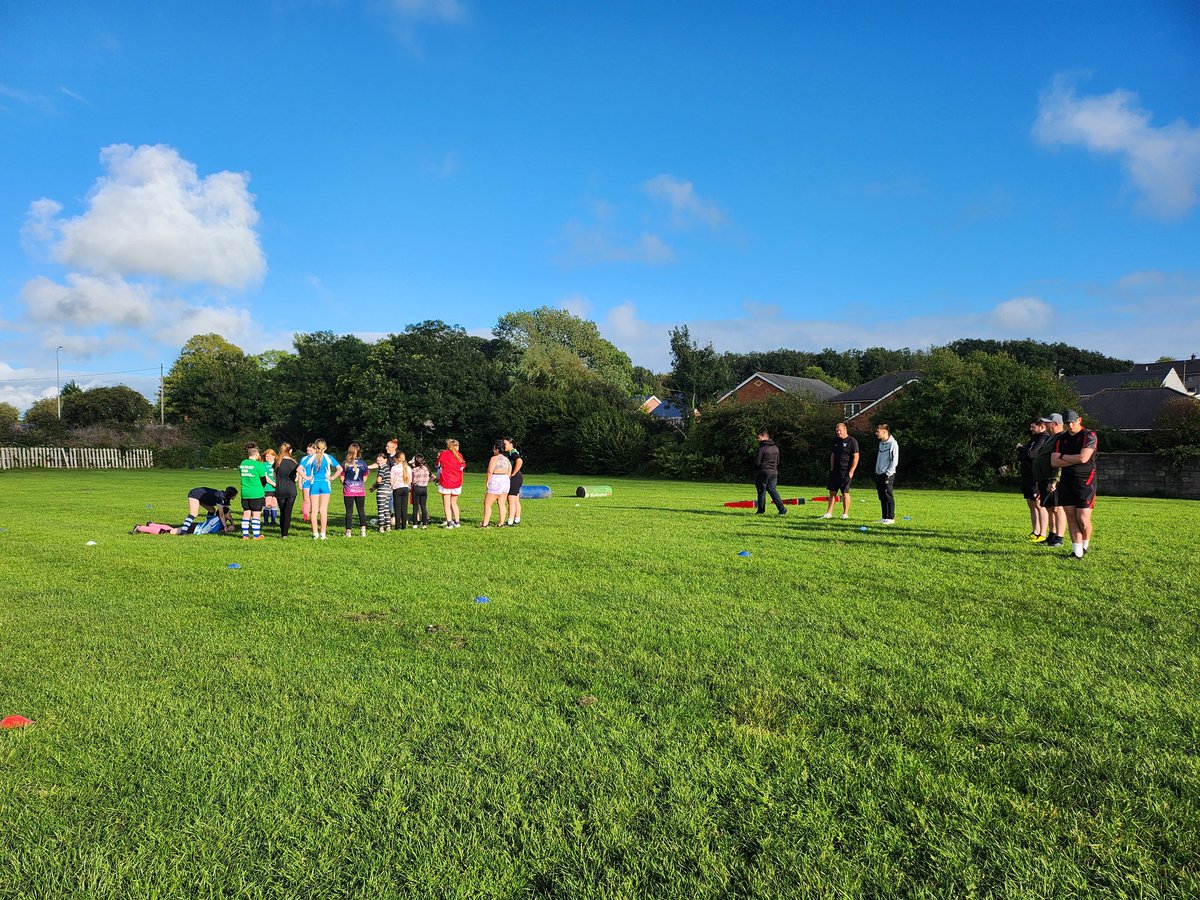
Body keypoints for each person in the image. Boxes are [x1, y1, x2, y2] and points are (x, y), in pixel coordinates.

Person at [1051, 409, 1098, 559]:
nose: (1070, 425)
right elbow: (1054, 462)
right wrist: (1073, 458)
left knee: (1082, 519)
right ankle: (1077, 551)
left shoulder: (1089, 435)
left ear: (1079, 420)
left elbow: (1084, 458)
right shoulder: (1061, 439)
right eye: (1067, 423)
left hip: (1086, 481)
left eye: (1072, 422)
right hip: (1066, 480)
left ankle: (1085, 544)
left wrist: (1063, 457)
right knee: (1071, 517)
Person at [1035, 414, 1067, 547]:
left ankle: (1059, 538)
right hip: (1044, 477)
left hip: (1053, 478)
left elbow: (1060, 461)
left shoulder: (1062, 438)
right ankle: (1052, 535)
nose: (1046, 425)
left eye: (1049, 423)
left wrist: (1054, 480)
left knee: (1057, 508)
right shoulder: (1051, 438)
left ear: (1056, 424)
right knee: (1049, 507)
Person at [1017, 420, 1048, 542]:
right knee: (1031, 504)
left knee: (1039, 504)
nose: (1031, 429)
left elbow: (1031, 454)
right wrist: (1023, 451)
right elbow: (1023, 455)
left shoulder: (1043, 438)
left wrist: (1021, 449)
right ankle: (1035, 531)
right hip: (1027, 476)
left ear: (1041, 427)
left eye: (1033, 427)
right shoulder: (1033, 439)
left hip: (1036, 476)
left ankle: (1042, 533)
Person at [821, 422, 859, 519]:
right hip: (835, 472)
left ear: (845, 429)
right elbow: (833, 454)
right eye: (837, 431)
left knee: (845, 493)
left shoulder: (852, 441)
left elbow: (856, 457)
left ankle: (845, 514)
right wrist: (832, 468)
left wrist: (851, 471)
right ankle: (829, 513)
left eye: (840, 431)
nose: (838, 432)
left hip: (845, 472)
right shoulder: (835, 441)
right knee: (832, 492)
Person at [305, 439, 341, 540]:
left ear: (315, 448)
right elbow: (340, 469)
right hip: (325, 484)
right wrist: (332, 477)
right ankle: (323, 534)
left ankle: (315, 534)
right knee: (323, 510)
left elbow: (299, 469)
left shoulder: (310, 458)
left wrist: (306, 477)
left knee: (314, 510)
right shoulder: (329, 457)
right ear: (325, 448)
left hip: (314, 484)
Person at [238, 443, 271, 541]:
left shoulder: (243, 463)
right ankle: (256, 535)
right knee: (256, 514)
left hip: (245, 492)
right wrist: (262, 486)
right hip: (256, 492)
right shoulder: (258, 465)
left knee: (246, 513)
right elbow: (263, 479)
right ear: (256, 454)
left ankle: (245, 535)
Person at [753, 429, 787, 515]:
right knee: (772, 490)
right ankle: (782, 509)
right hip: (774, 472)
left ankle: (761, 510)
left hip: (763, 472)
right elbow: (777, 461)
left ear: (763, 437)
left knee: (761, 491)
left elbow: (757, 462)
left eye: (758, 438)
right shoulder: (775, 448)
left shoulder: (762, 448)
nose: (758, 439)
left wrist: (758, 469)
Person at [341, 442, 370, 537]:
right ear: (358, 452)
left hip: (349, 490)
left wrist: (346, 484)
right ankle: (363, 531)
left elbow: (342, 478)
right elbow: (365, 476)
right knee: (361, 510)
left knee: (349, 511)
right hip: (360, 490)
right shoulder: (363, 463)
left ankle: (348, 532)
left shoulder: (345, 463)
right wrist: (360, 484)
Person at [480, 441, 512, 527]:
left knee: (487, 503)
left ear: (497, 449)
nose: (493, 450)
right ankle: (501, 523)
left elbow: (490, 471)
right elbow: (509, 471)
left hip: (496, 479)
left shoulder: (494, 458)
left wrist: (488, 481)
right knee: (502, 503)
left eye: (494, 449)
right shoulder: (507, 459)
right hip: (505, 480)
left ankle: (485, 523)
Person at [437, 439, 467, 528]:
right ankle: (457, 522)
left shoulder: (443, 454)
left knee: (447, 504)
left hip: (446, 482)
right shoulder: (460, 455)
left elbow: (437, 464)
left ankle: (449, 523)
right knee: (454, 503)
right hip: (457, 482)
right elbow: (463, 466)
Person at [873, 423, 899, 524]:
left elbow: (894, 461)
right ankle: (884, 517)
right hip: (879, 473)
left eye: (878, 431)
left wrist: (888, 473)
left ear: (884, 431)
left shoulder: (893, 443)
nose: (876, 433)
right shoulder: (881, 443)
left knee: (888, 495)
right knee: (881, 496)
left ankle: (891, 518)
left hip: (887, 474)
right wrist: (876, 471)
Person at [274, 443, 300, 539]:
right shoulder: (294, 463)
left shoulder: (277, 462)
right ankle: (285, 534)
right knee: (288, 512)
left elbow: (274, 476)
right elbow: (296, 479)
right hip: (290, 490)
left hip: (280, 489)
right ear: (290, 451)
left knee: (282, 512)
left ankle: (282, 532)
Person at [503, 437, 524, 526]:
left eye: (505, 444)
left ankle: (510, 521)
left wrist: (513, 473)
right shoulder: (511, 453)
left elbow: (519, 461)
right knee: (515, 500)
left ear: (511, 444)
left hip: (515, 478)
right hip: (518, 478)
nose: (503, 446)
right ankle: (517, 519)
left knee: (511, 500)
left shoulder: (513, 453)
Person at [390, 451, 411, 530]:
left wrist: (392, 486)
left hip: (397, 488)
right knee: (404, 508)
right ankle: (404, 525)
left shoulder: (394, 468)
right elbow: (410, 479)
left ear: (397, 459)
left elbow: (391, 479)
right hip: (405, 488)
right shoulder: (408, 467)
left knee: (397, 508)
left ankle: (397, 525)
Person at [410, 454, 431, 528]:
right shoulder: (426, 469)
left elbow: (412, 480)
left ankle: (415, 524)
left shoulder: (414, 470)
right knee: (423, 507)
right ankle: (424, 524)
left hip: (416, 488)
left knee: (415, 507)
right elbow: (430, 477)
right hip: (424, 488)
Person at [299, 442, 316, 522]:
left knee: (314, 500)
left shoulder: (318, 458)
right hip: (305, 481)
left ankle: (313, 516)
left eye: (311, 450)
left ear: (315, 450)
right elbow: (300, 470)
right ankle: (306, 517)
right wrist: (299, 482)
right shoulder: (304, 459)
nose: (309, 452)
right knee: (306, 499)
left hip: (315, 481)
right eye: (308, 451)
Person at [262, 448, 279, 526]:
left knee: (274, 503)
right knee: (267, 504)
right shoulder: (263, 465)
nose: (267, 458)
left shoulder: (277, 464)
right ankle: (266, 521)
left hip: (277, 487)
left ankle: (273, 521)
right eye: (266, 456)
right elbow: (265, 477)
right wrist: (273, 483)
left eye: (269, 456)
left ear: (274, 456)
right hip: (268, 487)